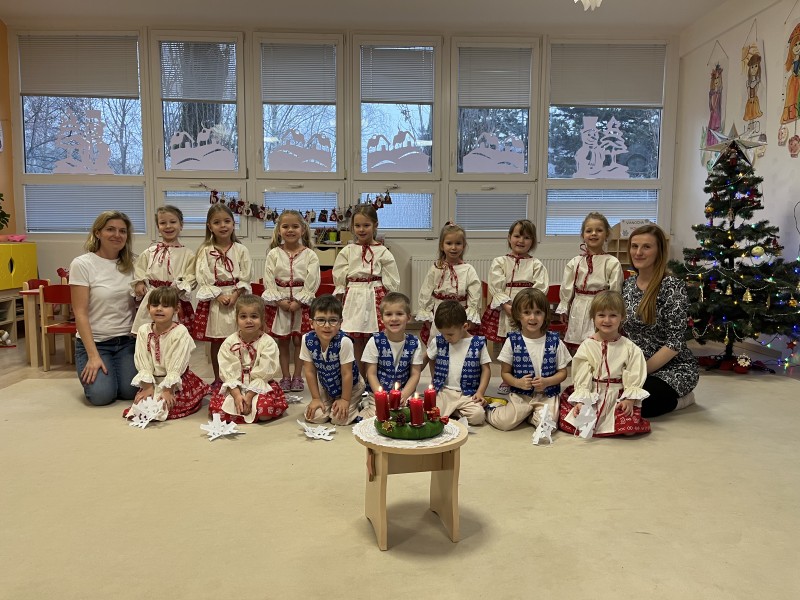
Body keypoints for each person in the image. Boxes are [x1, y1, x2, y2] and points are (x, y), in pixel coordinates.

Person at [622, 224, 699, 417]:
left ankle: (683, 400)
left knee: (640, 405)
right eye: (634, 246)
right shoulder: (627, 285)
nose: (638, 252)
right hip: (634, 365)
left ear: (659, 251)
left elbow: (674, 343)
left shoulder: (672, 286)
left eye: (646, 247)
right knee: (608, 396)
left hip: (673, 368)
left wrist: (640, 372)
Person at [559, 291, 651, 437]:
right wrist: (581, 401)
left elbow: (634, 373)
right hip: (593, 394)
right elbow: (582, 374)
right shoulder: (587, 346)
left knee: (629, 430)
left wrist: (630, 399)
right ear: (593, 317)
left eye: (613, 315)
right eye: (601, 315)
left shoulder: (630, 348)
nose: (607, 320)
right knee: (574, 423)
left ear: (622, 317)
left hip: (617, 396)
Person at [71, 211, 138, 406]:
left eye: (122, 231)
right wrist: (93, 356)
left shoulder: (135, 263)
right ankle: (101, 374)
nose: (117, 235)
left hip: (127, 342)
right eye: (110, 229)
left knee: (130, 392)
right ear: (97, 233)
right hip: (96, 343)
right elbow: (80, 313)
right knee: (102, 396)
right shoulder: (82, 264)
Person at [487, 289, 570, 432]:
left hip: (547, 395)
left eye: (538, 312)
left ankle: (531, 416)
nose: (533, 317)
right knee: (504, 423)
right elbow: (505, 373)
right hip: (521, 395)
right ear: (517, 315)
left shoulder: (555, 341)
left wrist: (547, 382)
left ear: (545, 314)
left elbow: (563, 373)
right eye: (527, 312)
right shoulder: (512, 341)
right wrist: (517, 382)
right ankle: (492, 408)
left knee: (547, 426)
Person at [480, 219, 548, 393]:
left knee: (525, 342)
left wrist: (524, 309)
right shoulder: (500, 262)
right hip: (506, 308)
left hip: (528, 310)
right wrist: (507, 306)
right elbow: (496, 285)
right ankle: (507, 378)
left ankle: (527, 376)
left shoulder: (536, 264)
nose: (521, 240)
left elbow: (540, 288)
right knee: (508, 344)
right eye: (517, 236)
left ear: (532, 241)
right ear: (509, 237)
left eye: (527, 237)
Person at [332, 204, 400, 374]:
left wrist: (390, 298)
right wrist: (340, 294)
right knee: (355, 340)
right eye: (357, 225)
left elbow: (391, 277)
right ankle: (359, 377)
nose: (361, 229)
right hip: (354, 296)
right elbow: (340, 275)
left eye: (366, 225)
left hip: (375, 295)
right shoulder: (348, 250)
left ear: (375, 225)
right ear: (352, 227)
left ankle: (372, 376)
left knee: (373, 339)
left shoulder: (382, 251)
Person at [126, 287, 208, 420]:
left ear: (176, 309)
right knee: (141, 408)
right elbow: (143, 358)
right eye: (155, 305)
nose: (159, 309)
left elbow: (178, 361)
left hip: (174, 382)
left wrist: (168, 390)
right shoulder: (143, 330)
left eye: (165, 306)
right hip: (152, 381)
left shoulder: (180, 332)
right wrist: (147, 387)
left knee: (165, 407)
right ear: (148, 308)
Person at [193, 204, 252, 388]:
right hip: (216, 301)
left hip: (237, 300)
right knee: (217, 342)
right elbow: (202, 276)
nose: (223, 225)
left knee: (239, 340)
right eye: (217, 222)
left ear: (233, 224)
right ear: (210, 226)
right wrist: (217, 296)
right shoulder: (205, 250)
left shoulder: (241, 249)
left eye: (227, 221)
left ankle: (239, 375)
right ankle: (219, 378)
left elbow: (245, 276)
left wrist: (235, 295)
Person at [262, 209, 320, 393]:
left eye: (295, 226)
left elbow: (313, 279)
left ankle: (297, 376)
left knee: (299, 341)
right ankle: (285, 376)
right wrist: (279, 300)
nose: (290, 230)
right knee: (283, 342)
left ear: (302, 229)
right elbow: (269, 278)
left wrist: (300, 301)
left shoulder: (310, 255)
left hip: (301, 304)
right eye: (285, 226)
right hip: (281, 304)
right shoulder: (274, 254)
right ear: (279, 230)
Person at [208, 294, 288, 424]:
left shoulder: (268, 342)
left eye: (254, 316)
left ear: (262, 318)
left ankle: (250, 408)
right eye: (243, 317)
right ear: (236, 319)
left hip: (259, 385)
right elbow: (227, 370)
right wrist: (237, 395)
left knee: (265, 413)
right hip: (236, 386)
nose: (249, 321)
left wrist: (249, 396)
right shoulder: (230, 342)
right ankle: (241, 406)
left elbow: (265, 371)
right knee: (218, 412)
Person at [556, 212, 623, 352]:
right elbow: (567, 287)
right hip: (579, 306)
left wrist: (612, 312)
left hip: (601, 307)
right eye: (589, 231)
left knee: (598, 345)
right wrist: (564, 306)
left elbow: (615, 291)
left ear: (606, 234)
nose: (594, 234)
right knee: (578, 345)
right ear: (583, 235)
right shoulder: (575, 262)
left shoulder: (612, 262)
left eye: (599, 230)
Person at [302, 295, 371, 425]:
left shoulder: (344, 341)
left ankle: (361, 404)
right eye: (321, 320)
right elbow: (310, 371)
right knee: (315, 417)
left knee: (338, 419)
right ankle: (331, 403)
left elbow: (347, 373)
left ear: (340, 323)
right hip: (327, 387)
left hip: (352, 387)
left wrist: (345, 400)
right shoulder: (306, 340)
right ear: (311, 323)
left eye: (333, 320)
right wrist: (316, 398)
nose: (327, 326)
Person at [130, 205, 196, 333]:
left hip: (173, 299)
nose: (168, 226)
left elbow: (191, 277)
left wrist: (176, 288)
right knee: (148, 333)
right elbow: (139, 268)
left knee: (173, 334)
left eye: (173, 222)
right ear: (158, 227)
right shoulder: (150, 251)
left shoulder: (188, 254)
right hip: (153, 299)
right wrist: (140, 282)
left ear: (181, 225)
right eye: (163, 223)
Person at [415, 222, 481, 345]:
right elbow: (426, 291)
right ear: (442, 245)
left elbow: (474, 294)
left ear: (464, 245)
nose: (453, 247)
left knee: (459, 341)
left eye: (458, 243)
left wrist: (471, 315)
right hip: (440, 311)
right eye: (449, 243)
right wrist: (426, 313)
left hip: (459, 311)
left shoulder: (468, 269)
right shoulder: (436, 268)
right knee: (437, 342)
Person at [428, 300, 491, 426]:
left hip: (467, 394)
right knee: (430, 412)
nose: (446, 338)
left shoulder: (478, 343)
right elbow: (430, 359)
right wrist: (435, 379)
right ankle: (456, 412)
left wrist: (480, 392)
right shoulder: (439, 341)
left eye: (450, 334)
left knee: (478, 416)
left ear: (465, 327)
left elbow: (486, 370)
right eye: (443, 334)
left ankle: (453, 411)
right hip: (445, 391)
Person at [363, 292, 425, 404]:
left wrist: (403, 395)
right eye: (388, 314)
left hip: (404, 395)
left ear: (408, 317)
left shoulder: (414, 343)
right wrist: (381, 396)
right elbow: (371, 374)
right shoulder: (374, 341)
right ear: (381, 318)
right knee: (375, 414)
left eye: (399, 314)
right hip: (378, 395)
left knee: (413, 413)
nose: (394, 318)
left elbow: (415, 374)